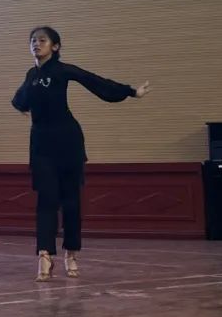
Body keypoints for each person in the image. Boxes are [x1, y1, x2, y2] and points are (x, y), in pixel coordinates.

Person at [11, 26, 150, 282]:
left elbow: (95, 81)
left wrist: (131, 91)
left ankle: (71, 253)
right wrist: (20, 106)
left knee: (71, 201)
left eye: (42, 40)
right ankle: (44, 254)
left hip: (68, 142)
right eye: (32, 41)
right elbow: (19, 99)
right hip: (41, 146)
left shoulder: (63, 70)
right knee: (46, 200)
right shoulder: (31, 75)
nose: (36, 44)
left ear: (55, 46)